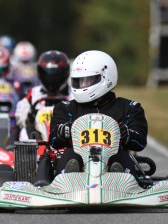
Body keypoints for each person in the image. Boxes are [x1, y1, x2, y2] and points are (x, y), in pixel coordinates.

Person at [47, 50, 148, 181]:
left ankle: (118, 176)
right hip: (77, 161)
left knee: (120, 155)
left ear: (106, 77)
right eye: (78, 81)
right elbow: (54, 141)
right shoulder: (65, 108)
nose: (81, 85)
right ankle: (70, 177)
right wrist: (63, 131)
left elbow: (140, 142)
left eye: (87, 80)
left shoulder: (129, 108)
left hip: (115, 159)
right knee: (71, 155)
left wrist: (126, 134)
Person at [14, 50, 73, 140]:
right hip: (38, 139)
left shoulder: (73, 94)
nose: (52, 80)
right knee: (23, 130)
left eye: (55, 76)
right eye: (48, 75)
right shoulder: (33, 94)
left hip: (66, 138)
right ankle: (12, 150)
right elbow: (20, 118)